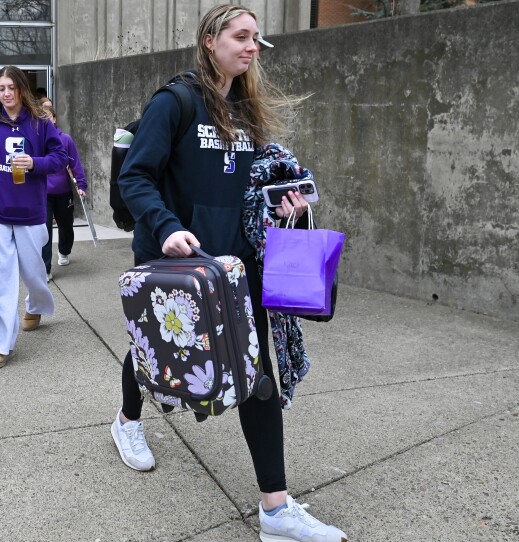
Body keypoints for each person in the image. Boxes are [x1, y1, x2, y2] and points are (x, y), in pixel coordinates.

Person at [112, 5, 348, 542]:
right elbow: (136, 176)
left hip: (237, 266)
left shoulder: (245, 109)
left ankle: (275, 509)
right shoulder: (176, 101)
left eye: (256, 38)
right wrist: (168, 226)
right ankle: (127, 422)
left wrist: (283, 206)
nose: (252, 46)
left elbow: (249, 191)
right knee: (153, 349)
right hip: (178, 259)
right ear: (210, 39)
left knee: (255, 374)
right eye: (241, 36)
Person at [0, 66, 68, 370]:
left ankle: (35, 305)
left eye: (11, 88)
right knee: (1, 280)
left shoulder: (39, 121)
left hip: (31, 212)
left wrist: (35, 162)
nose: (6, 94)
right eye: (1, 88)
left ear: (21, 89)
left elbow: (61, 158)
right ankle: (3, 343)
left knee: (35, 273)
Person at [41, 106, 88, 279]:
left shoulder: (65, 140)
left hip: (63, 192)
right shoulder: (37, 141)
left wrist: (81, 185)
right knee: (44, 230)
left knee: (66, 226)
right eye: (40, 118)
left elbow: (75, 164)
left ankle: (64, 250)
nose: (44, 121)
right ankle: (45, 269)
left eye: (47, 117)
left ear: (54, 119)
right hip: (43, 194)